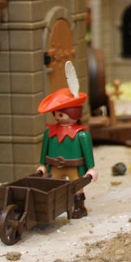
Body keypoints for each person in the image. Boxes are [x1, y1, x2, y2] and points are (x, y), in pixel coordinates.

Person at [36, 61, 97, 218]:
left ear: (74, 114)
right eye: (56, 114)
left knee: (76, 186)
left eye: (61, 114)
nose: (58, 117)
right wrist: (42, 165)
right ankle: (55, 207)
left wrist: (91, 168)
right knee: (54, 186)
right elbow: (44, 149)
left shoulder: (81, 134)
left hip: (74, 167)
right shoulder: (50, 132)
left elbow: (87, 151)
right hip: (54, 165)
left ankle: (79, 207)